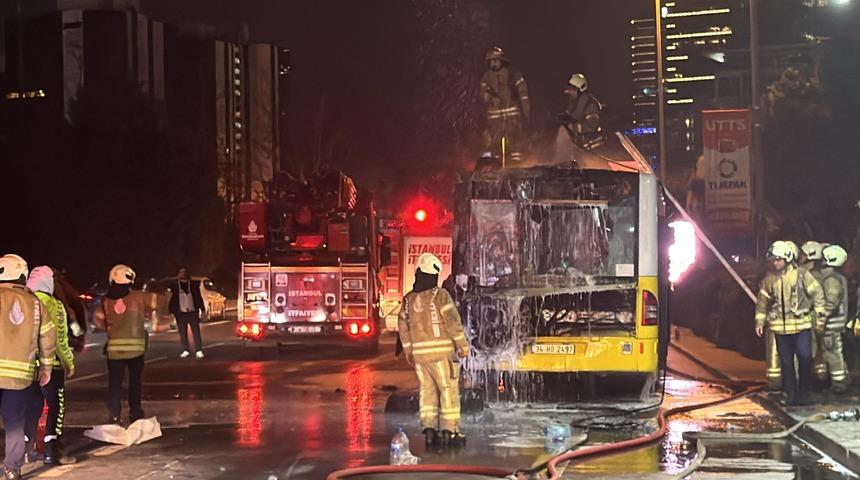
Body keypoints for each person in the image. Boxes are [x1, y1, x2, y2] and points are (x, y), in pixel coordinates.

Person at [398, 253, 469, 447]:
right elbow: (452, 322)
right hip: (441, 356)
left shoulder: (408, 299)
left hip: (420, 358)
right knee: (448, 390)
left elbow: (403, 326)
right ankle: (449, 431)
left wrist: (408, 350)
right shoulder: (440, 295)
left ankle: (429, 430)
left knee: (427, 392)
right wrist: (462, 345)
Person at [0, 254, 56, 480]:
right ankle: (12, 469)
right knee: (14, 423)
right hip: (20, 376)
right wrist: (46, 369)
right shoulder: (36, 303)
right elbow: (48, 338)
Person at [755, 241, 825, 406]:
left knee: (805, 358)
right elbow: (762, 302)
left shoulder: (802, 275)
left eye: (778, 260)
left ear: (787, 258)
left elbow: (817, 295)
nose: (775, 263)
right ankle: (792, 395)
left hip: (801, 327)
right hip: (781, 330)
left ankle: (804, 393)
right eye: (773, 260)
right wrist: (759, 321)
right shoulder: (769, 280)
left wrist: (820, 317)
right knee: (786, 364)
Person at [24, 266, 75, 465]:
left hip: (27, 366)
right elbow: (59, 339)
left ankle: (27, 451)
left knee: (31, 408)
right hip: (51, 366)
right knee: (55, 407)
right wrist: (69, 362)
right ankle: (52, 452)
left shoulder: (24, 302)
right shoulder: (54, 305)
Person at [94, 264, 149, 425]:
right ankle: (135, 412)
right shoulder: (138, 297)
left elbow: (97, 319)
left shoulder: (105, 300)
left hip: (114, 350)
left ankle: (114, 415)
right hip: (136, 350)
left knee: (115, 384)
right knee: (135, 383)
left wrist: (109, 327)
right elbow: (157, 304)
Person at [480, 46, 530, 164]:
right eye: (491, 61)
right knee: (495, 144)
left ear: (501, 60)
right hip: (494, 118)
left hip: (512, 116)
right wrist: (487, 96)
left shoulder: (513, 74)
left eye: (496, 60)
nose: (494, 63)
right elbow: (483, 96)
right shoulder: (486, 78)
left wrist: (526, 111)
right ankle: (496, 166)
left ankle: (517, 166)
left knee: (515, 143)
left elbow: (523, 93)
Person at [813, 245, 849, 393]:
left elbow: (831, 302)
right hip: (835, 324)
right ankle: (842, 380)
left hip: (831, 325)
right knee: (835, 353)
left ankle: (838, 385)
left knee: (833, 354)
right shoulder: (837, 277)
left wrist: (821, 318)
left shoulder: (831, 280)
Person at [168, 266, 205, 359]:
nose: (183, 274)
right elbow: (173, 299)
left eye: (184, 272)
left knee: (196, 331)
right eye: (181, 272)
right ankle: (185, 349)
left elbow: (198, 297)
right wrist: (171, 311)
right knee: (182, 332)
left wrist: (202, 309)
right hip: (180, 312)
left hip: (192, 312)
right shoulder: (175, 286)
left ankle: (199, 350)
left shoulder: (193, 285)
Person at [558, 73, 603, 149]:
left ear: (580, 89)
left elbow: (593, 126)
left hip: (590, 145)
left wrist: (573, 127)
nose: (567, 91)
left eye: (571, 89)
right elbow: (570, 116)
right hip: (576, 144)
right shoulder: (573, 102)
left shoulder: (590, 105)